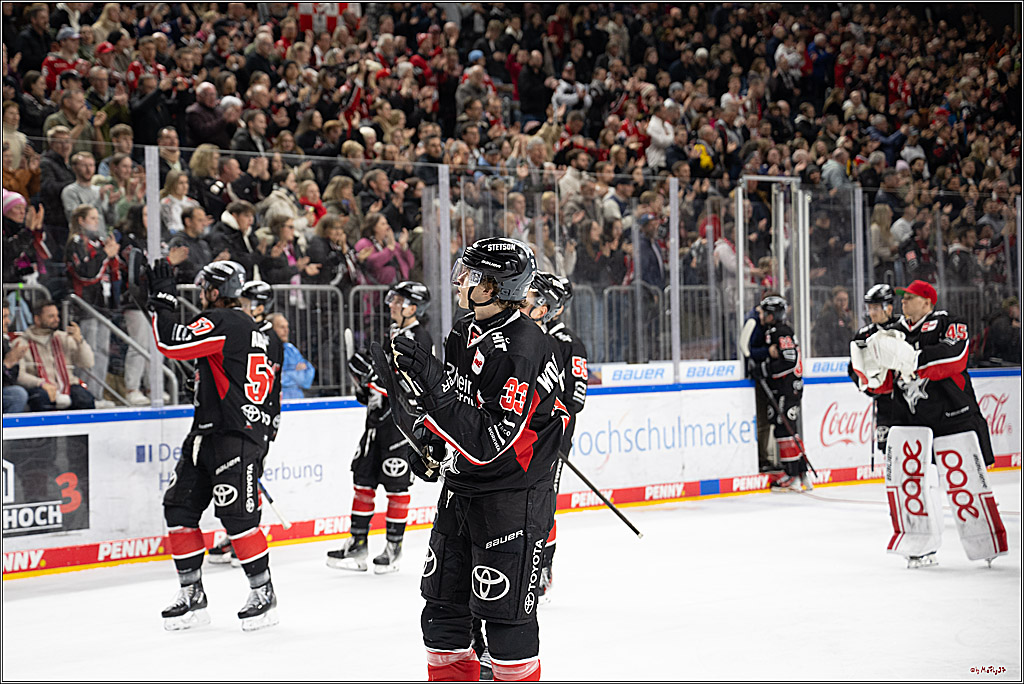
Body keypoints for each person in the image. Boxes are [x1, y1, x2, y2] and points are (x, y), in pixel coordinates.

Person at [389, 237, 567, 681]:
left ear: (498, 287)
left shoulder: (524, 349)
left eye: (474, 276)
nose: (462, 282)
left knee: (506, 624)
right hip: (463, 489)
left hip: (513, 496)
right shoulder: (464, 332)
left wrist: (432, 386)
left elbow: (490, 442)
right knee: (442, 614)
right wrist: (430, 443)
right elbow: (456, 405)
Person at [148, 260, 281, 631]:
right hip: (210, 433)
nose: (201, 293)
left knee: (237, 518)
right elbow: (222, 367)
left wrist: (162, 302)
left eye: (205, 286)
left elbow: (169, 343)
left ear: (214, 290)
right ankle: (192, 594)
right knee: (178, 508)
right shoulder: (246, 326)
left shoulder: (225, 320)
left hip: (231, 436)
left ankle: (263, 592)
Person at [864, 280, 1008, 568]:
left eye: (911, 298)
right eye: (902, 298)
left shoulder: (949, 323)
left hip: (953, 415)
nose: (903, 302)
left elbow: (954, 358)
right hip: (909, 420)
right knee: (908, 484)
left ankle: (984, 539)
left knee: (963, 480)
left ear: (927, 302)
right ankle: (917, 543)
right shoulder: (890, 332)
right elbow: (876, 379)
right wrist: (870, 374)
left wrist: (912, 359)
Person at [326, 281, 433, 574]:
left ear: (412, 307)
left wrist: (373, 379)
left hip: (402, 426)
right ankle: (357, 544)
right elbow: (383, 378)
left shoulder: (418, 338)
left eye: (398, 301)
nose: (391, 305)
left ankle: (393, 547)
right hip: (378, 421)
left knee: (396, 485)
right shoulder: (395, 334)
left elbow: (412, 386)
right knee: (363, 479)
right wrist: (366, 386)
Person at [207, 280, 284, 566]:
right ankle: (235, 535)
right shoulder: (247, 329)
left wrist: (271, 420)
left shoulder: (264, 337)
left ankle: (247, 537)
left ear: (261, 306)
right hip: (242, 416)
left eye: (248, 301)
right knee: (235, 479)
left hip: (256, 418)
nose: (242, 306)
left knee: (248, 479)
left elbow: (271, 385)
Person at [522, 272, 588, 602]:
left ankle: (543, 568)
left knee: (542, 505)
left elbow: (576, 398)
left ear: (555, 309)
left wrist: (545, 403)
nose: (530, 301)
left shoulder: (568, 343)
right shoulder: (524, 336)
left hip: (553, 439)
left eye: (538, 298)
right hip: (523, 437)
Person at [755, 295, 811, 493]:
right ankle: (801, 473)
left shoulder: (780, 331)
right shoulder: (778, 330)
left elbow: (788, 360)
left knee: (784, 430)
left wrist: (765, 368)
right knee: (788, 429)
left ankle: (793, 475)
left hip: (787, 389)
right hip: (787, 388)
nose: (760, 315)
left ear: (772, 315)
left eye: (764, 312)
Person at [848, 284, 907, 456]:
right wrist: (869, 388)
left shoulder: (904, 328)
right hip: (884, 403)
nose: (872, 312)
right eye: (869, 308)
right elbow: (853, 368)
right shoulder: (863, 335)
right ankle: (894, 483)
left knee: (911, 445)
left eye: (876, 307)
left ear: (888, 308)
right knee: (888, 448)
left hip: (909, 401)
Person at [12, 300, 95, 411]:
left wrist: (80, 341)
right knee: (40, 398)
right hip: (39, 387)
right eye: (51, 316)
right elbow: (19, 375)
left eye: (57, 315)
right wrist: (41, 383)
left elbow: (88, 363)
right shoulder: (21, 343)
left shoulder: (64, 338)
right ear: (37, 319)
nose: (57, 320)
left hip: (68, 385)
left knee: (84, 399)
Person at [739, 296, 775, 472]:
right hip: (755, 378)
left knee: (767, 419)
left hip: (767, 374)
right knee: (762, 419)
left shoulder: (770, 324)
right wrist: (765, 353)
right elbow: (744, 347)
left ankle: (766, 456)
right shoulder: (753, 321)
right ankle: (761, 458)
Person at [269, 312, 315, 400]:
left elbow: (308, 376)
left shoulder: (291, 349)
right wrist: (296, 374)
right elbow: (272, 379)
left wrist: (286, 375)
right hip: (275, 400)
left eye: (287, 327)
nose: (286, 330)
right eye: (282, 327)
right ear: (272, 329)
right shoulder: (266, 350)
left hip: (297, 400)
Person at [3, 302, 31, 413]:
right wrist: (6, 364)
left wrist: (13, 363)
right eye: (4, 317)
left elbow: (12, 379)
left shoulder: (4, 342)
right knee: (17, 395)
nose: (8, 321)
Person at [812, 286, 854, 357]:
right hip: (831, 357)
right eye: (839, 300)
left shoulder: (847, 317)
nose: (843, 303)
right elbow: (823, 340)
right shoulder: (827, 317)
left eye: (845, 300)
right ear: (833, 300)